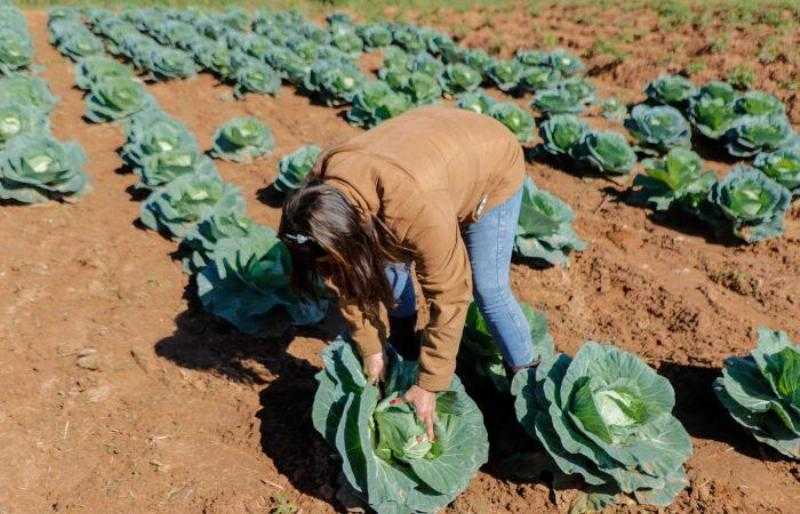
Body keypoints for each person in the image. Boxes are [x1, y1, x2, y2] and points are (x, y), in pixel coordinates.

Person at [279, 106, 535, 441]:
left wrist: (429, 385)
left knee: (489, 290)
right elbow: (342, 272)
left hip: (489, 161)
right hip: (425, 154)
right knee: (386, 259)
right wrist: (371, 348)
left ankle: (531, 387)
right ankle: (405, 338)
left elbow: (451, 295)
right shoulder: (321, 195)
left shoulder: (416, 208)